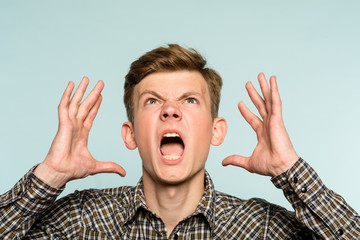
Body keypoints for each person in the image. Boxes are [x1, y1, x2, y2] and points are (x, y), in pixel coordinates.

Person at [0, 44, 359, 239]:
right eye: (152, 101)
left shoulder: (261, 228)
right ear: (131, 135)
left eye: (189, 101)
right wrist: (49, 176)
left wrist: (289, 170)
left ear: (217, 131)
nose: (170, 111)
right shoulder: (80, 221)